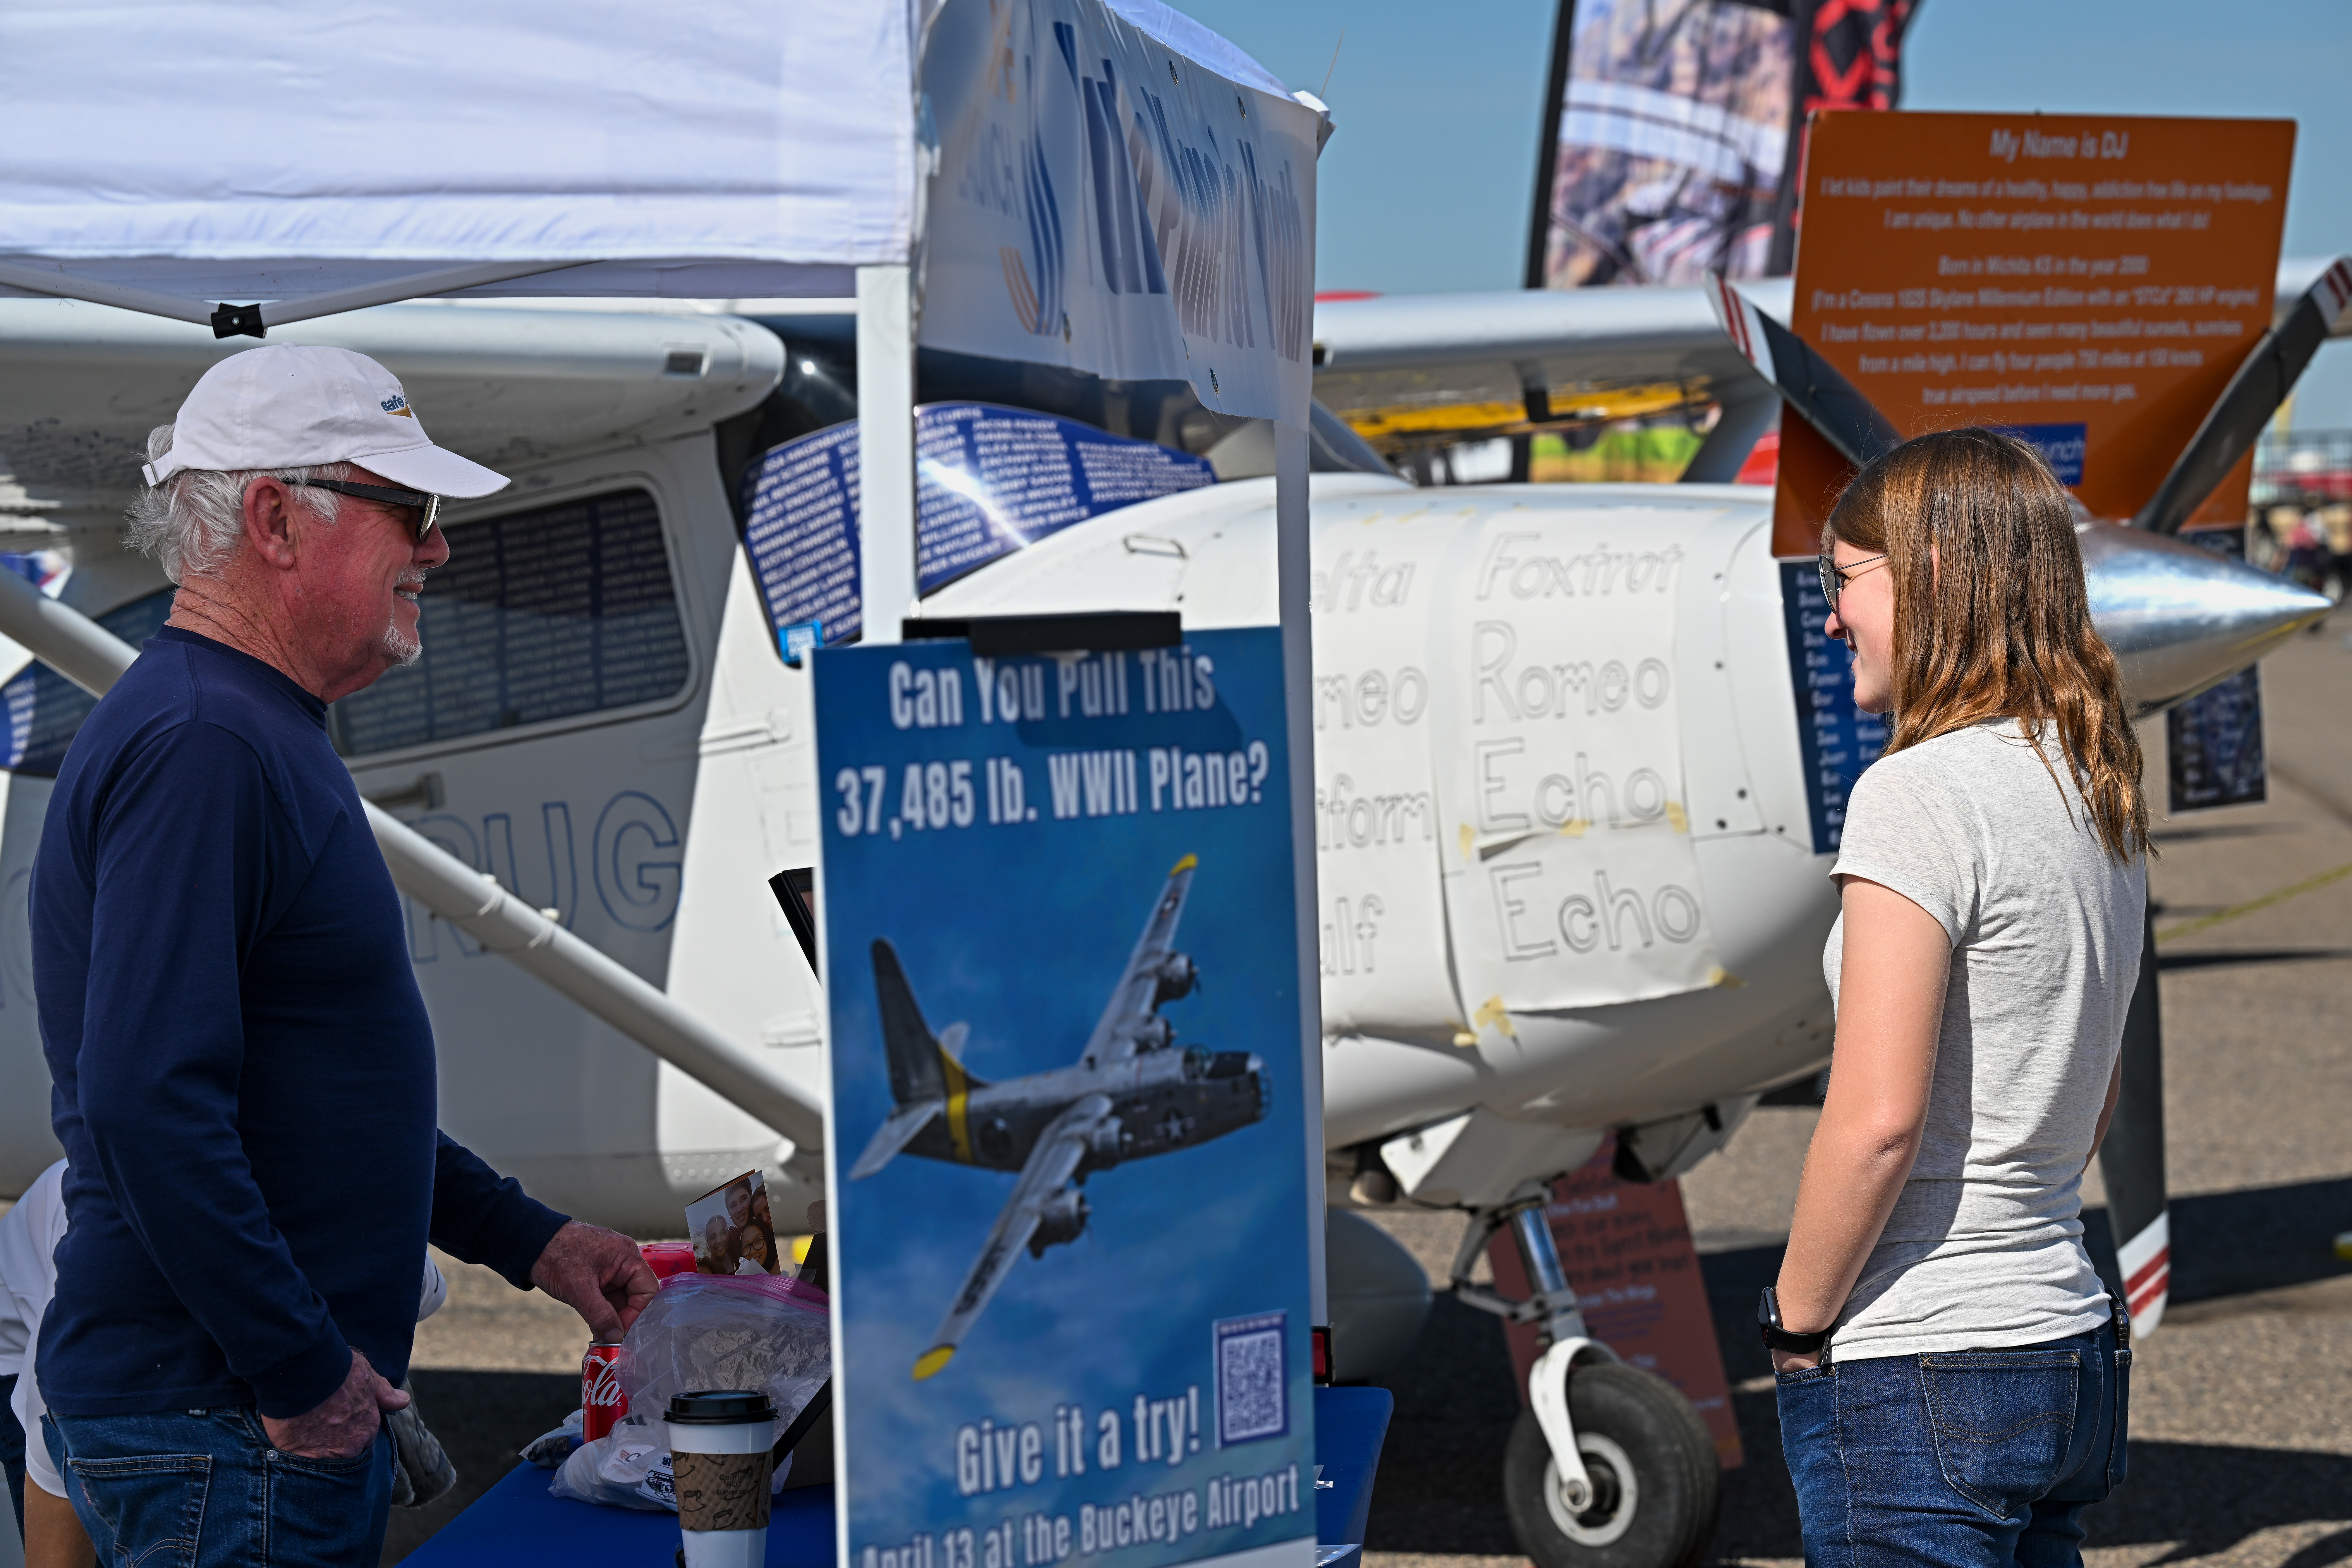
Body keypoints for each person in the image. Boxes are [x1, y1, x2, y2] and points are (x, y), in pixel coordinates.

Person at [33, 345, 658, 1568]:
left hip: (228, 1421)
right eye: (410, 510)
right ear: (273, 515)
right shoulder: (207, 740)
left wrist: (529, 1238)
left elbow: (309, 1104)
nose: (436, 546)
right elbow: (146, 1104)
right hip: (228, 1427)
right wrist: (301, 1368)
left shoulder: (238, 725)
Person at [1766, 427, 2148, 1564]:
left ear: (1929, 573)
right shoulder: (2093, 779)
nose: (1830, 615)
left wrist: (1793, 1322)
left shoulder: (1916, 794)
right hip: (2065, 1339)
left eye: (1842, 579)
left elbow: (1878, 1119)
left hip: (1923, 1361)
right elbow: (2098, 1100)